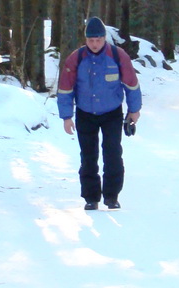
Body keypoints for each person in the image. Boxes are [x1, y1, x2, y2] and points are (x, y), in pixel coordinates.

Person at [57, 17, 142, 210]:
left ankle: (111, 196)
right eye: (90, 40)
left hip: (111, 112)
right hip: (85, 113)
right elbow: (65, 89)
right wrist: (66, 116)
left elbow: (131, 84)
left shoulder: (118, 56)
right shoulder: (75, 59)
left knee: (112, 154)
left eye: (98, 40)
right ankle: (91, 197)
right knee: (88, 156)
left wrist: (134, 111)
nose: (94, 44)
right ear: (85, 40)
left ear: (104, 38)